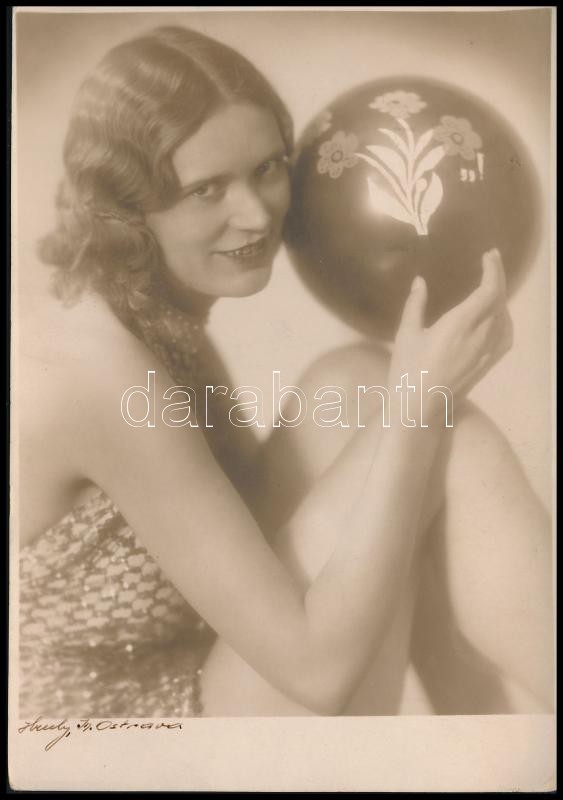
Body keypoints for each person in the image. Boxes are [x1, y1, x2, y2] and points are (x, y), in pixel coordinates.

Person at [16, 25, 540, 719]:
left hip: (208, 655)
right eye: (207, 189)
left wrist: (410, 407)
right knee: (423, 421)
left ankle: (487, 730)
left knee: (356, 379)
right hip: (126, 732)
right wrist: (417, 408)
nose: (256, 214)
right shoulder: (101, 374)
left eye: (266, 168)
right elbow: (318, 674)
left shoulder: (153, 308)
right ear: (126, 209)